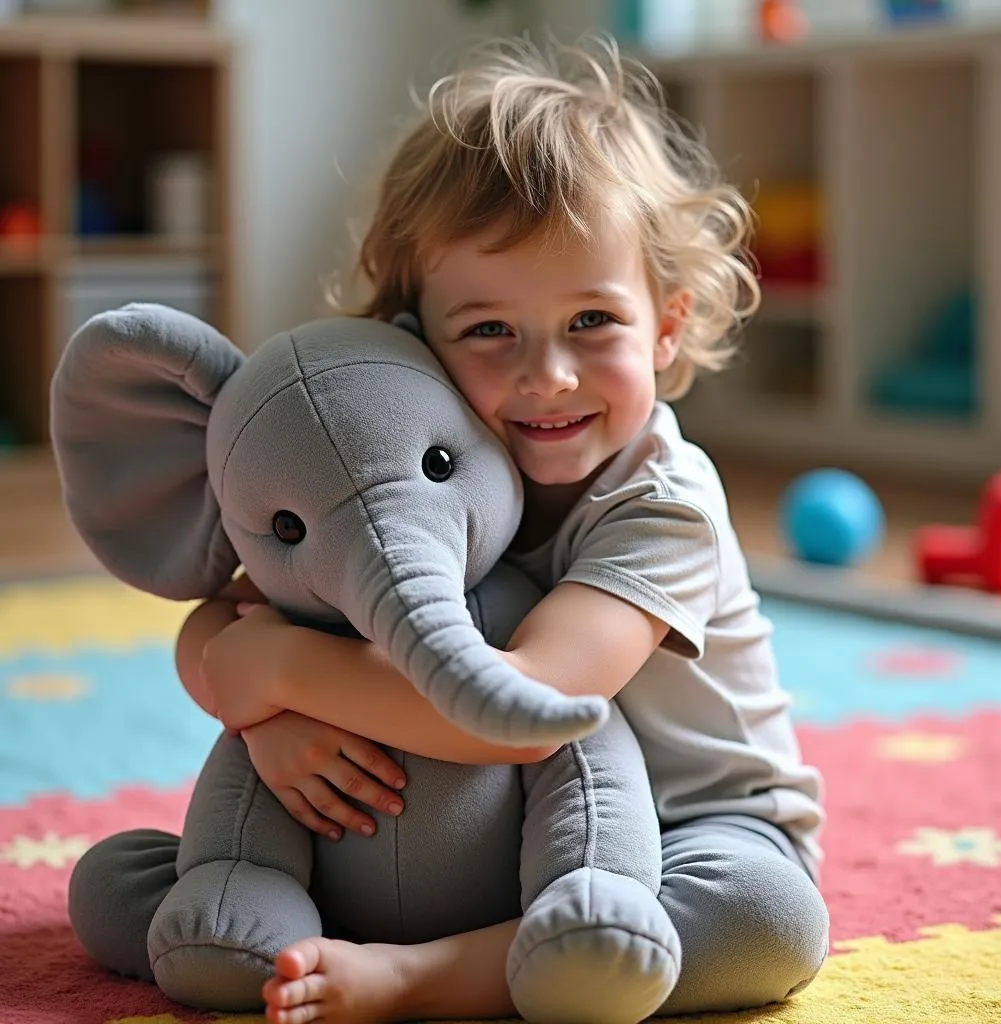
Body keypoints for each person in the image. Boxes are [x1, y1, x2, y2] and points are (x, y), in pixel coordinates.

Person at [185, 34, 829, 1024]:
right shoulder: (413, 475)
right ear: (413, 339)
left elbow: (522, 704)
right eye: (490, 330)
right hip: (504, 836)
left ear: (664, 323)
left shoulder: (663, 505)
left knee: (766, 916)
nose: (548, 377)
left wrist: (280, 677)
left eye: (591, 323)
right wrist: (262, 717)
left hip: (694, 827)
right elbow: (233, 620)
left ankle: (429, 976)